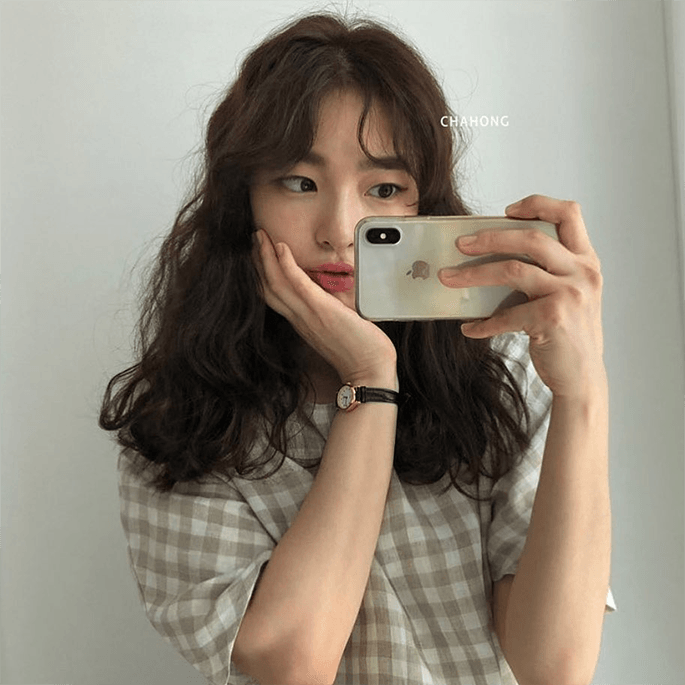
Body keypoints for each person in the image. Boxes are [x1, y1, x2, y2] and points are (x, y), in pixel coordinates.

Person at [100, 11, 616, 685]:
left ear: (424, 206)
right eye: (298, 182)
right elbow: (292, 662)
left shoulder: (497, 368)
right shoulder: (181, 425)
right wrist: (371, 380)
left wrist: (582, 392)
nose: (340, 229)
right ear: (242, 201)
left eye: (384, 189)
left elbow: (554, 666)